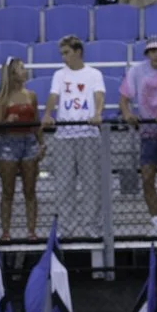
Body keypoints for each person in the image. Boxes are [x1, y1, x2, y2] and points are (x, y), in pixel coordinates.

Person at [43, 34, 110, 237]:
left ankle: (91, 226)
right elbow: (53, 96)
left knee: (91, 183)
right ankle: (66, 227)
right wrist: (47, 114)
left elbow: (99, 95)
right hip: (64, 135)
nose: (64, 57)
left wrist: (97, 114)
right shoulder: (59, 75)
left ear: (78, 52)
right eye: (62, 53)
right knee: (64, 184)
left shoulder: (94, 74)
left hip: (87, 133)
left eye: (67, 53)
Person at [119, 38, 157, 234]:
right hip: (147, 131)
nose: (156, 54)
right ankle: (155, 219)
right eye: (152, 51)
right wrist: (127, 113)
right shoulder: (137, 70)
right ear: (147, 54)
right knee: (147, 176)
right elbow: (124, 96)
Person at [0, 57, 42, 240]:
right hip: (8, 143)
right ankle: (6, 231)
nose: (25, 71)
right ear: (12, 74)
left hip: (28, 142)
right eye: (21, 68)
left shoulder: (31, 95)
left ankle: (31, 230)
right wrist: (6, 122)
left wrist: (41, 144)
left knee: (30, 190)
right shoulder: (1, 99)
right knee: (8, 191)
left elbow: (36, 122)